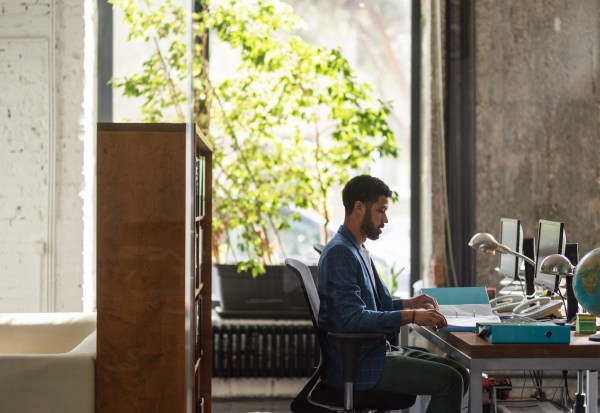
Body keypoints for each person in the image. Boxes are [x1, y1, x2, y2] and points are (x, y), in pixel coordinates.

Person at [317, 174, 469, 413]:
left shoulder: (357, 248)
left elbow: (376, 304)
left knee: (460, 371)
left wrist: (410, 304)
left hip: (373, 351)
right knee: (451, 380)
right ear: (359, 208)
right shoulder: (341, 252)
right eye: (381, 210)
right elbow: (352, 318)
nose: (385, 219)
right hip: (360, 363)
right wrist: (412, 316)